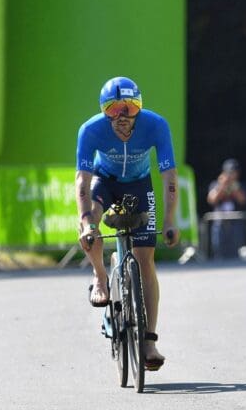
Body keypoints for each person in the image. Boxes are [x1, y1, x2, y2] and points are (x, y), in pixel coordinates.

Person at [75, 76, 179, 371]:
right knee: (90, 224)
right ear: (103, 112)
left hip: (138, 184)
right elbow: (82, 181)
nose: (122, 118)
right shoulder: (90, 130)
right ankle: (100, 276)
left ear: (140, 108)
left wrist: (170, 220)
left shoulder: (156, 125)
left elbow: (169, 177)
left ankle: (149, 341)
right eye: (113, 110)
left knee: (146, 258)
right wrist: (86, 222)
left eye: (130, 109)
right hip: (104, 182)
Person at [206, 158, 246, 259]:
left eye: (233, 172)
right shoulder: (215, 185)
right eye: (229, 172)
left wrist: (233, 186)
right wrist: (222, 186)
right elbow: (212, 200)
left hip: (235, 224)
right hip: (219, 223)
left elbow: (243, 200)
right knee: (219, 252)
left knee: (236, 252)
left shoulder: (240, 185)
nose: (231, 175)